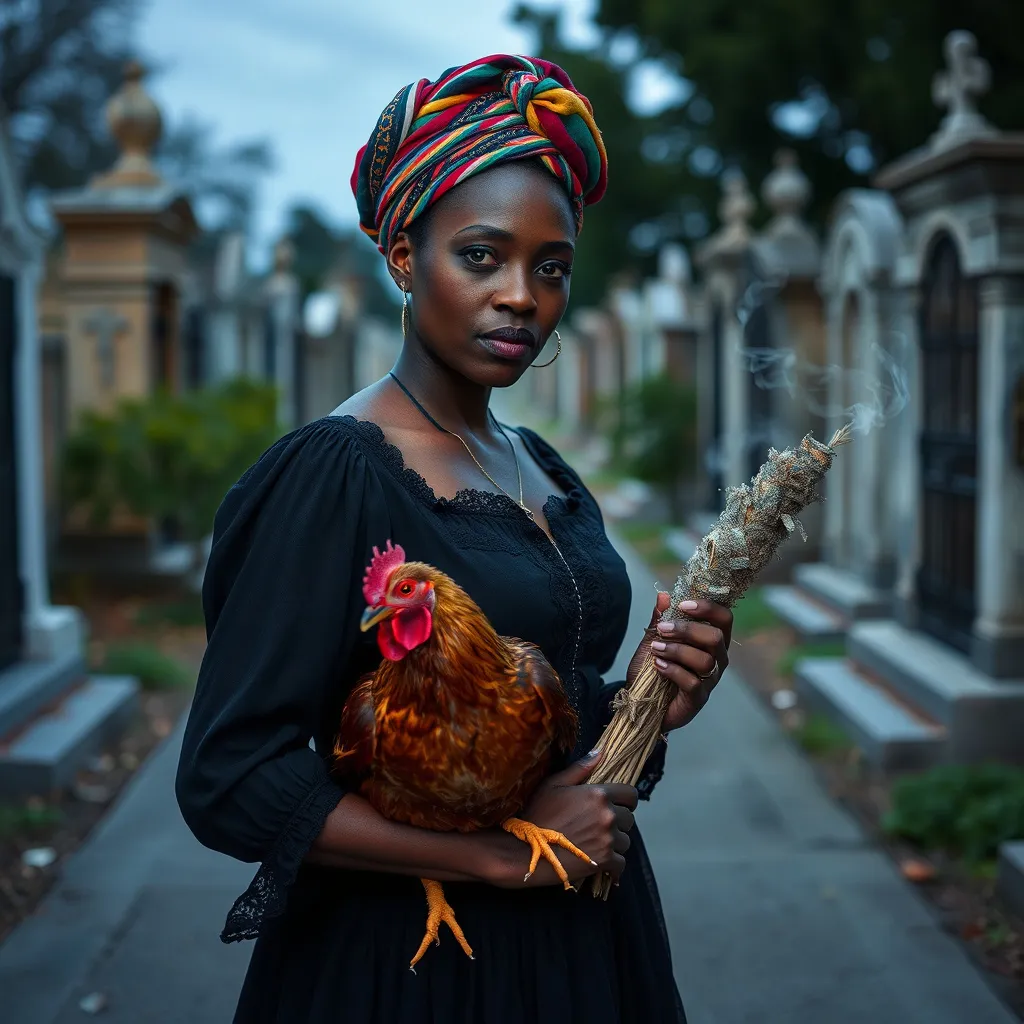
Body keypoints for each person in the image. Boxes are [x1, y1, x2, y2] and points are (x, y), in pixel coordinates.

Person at [175, 54, 733, 1024]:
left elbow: (545, 731)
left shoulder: (540, 465)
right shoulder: (335, 470)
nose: (521, 294)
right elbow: (232, 776)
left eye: (549, 267)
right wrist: (491, 855)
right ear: (402, 256)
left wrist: (652, 697)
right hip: (411, 967)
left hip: (585, 939)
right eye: (481, 255)